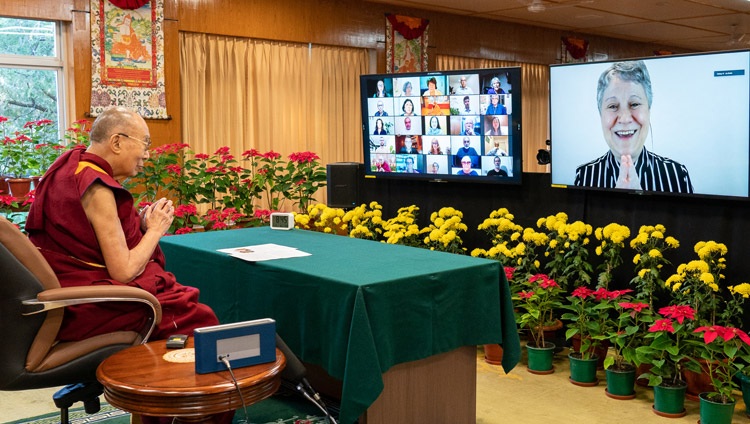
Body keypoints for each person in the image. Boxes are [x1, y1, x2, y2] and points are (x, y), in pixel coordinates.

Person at [25, 106, 231, 424]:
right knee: (200, 324)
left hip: (71, 291)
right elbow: (123, 271)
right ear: (118, 142)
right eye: (145, 143)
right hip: (92, 305)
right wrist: (157, 229)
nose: (147, 155)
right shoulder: (96, 187)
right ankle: (181, 416)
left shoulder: (70, 165)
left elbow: (94, 243)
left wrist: (139, 225)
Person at [574, 60, 693, 193]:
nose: (624, 119)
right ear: (600, 114)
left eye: (634, 104)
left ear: (649, 110)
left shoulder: (677, 175)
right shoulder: (585, 176)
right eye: (613, 106)